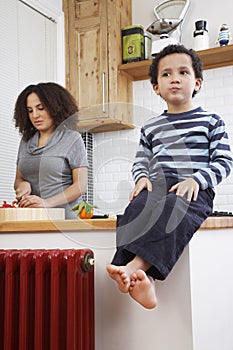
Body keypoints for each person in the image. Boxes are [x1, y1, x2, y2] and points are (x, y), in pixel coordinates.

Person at [107, 44, 233, 309]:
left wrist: (197, 179)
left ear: (197, 83)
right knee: (137, 205)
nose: (174, 78)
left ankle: (130, 268)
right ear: (156, 87)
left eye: (183, 72)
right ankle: (143, 281)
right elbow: (141, 161)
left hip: (194, 192)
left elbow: (224, 162)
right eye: (166, 74)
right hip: (159, 188)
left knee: (175, 207)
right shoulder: (151, 128)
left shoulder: (211, 121)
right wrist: (141, 178)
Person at [13, 82, 88, 219]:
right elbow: (19, 179)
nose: (35, 115)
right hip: (35, 218)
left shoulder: (72, 138)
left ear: (56, 107)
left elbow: (80, 185)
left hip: (66, 219)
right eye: (30, 110)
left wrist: (47, 203)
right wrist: (23, 185)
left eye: (40, 108)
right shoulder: (25, 141)